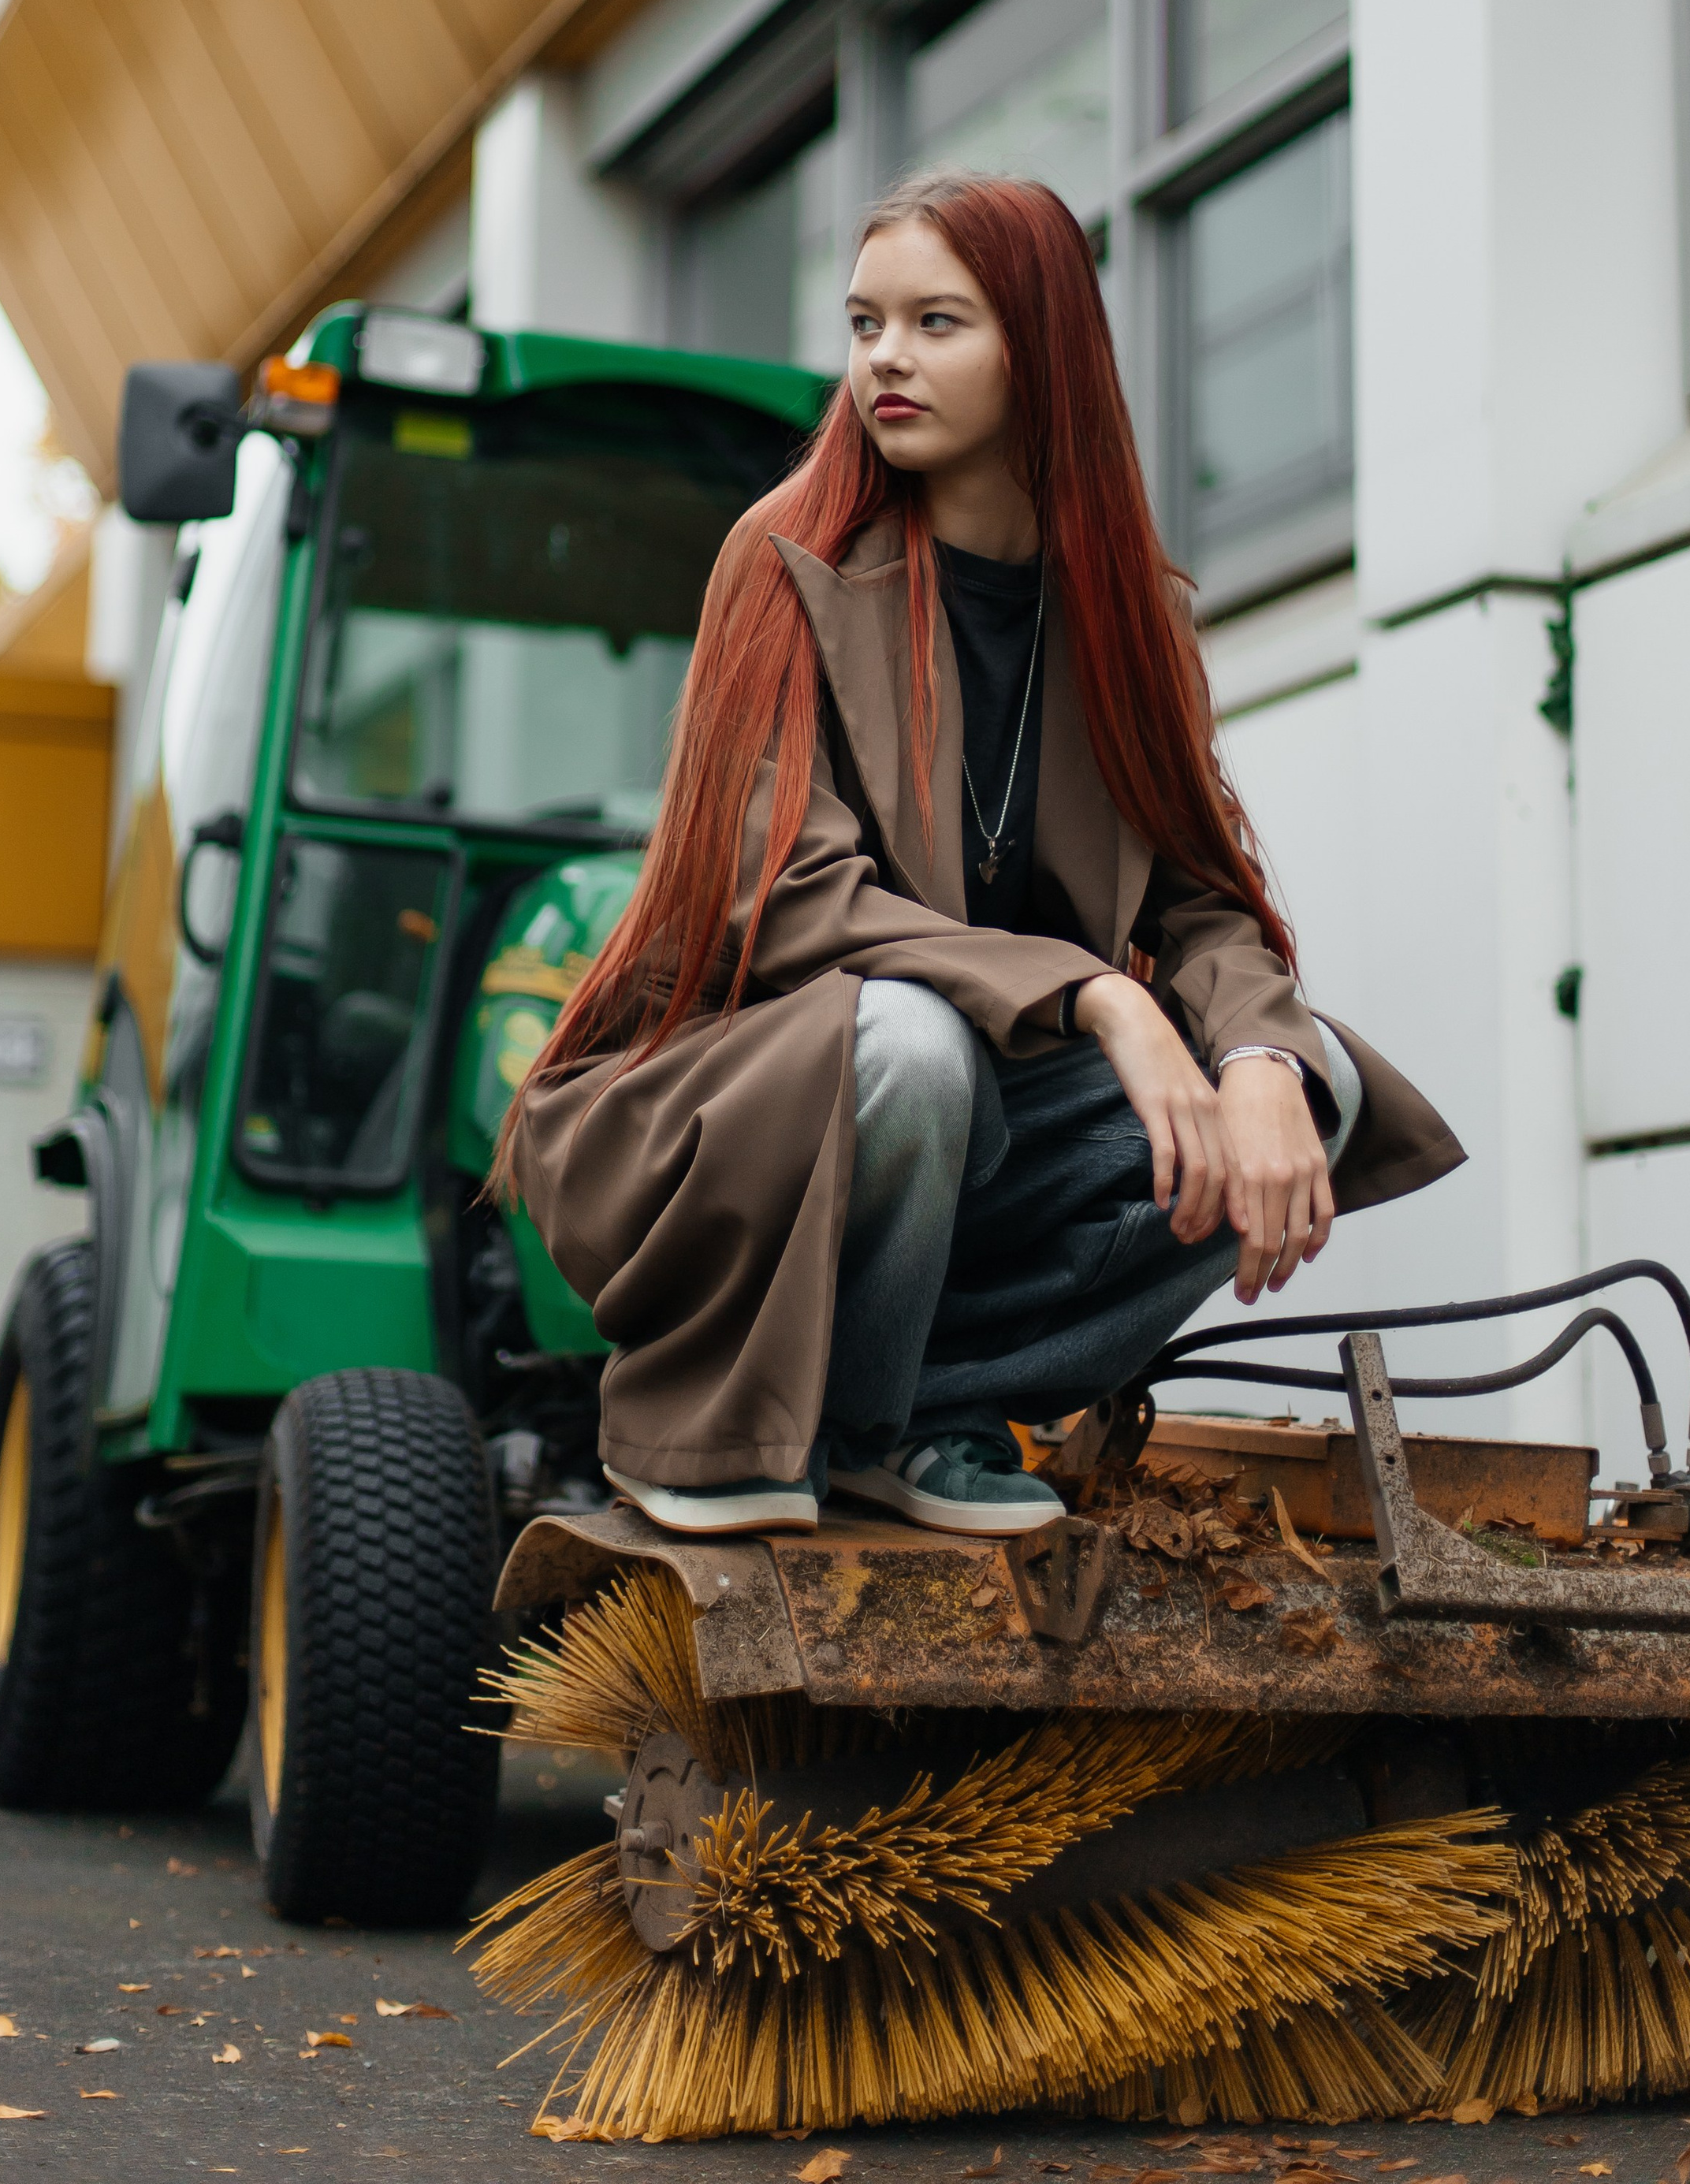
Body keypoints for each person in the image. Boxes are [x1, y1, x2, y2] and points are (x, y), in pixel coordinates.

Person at [499, 172, 1461, 1540]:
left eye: (936, 321)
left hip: (977, 1134)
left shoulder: (1131, 614)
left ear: (1042, 347)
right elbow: (784, 897)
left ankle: (926, 1407)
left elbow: (1201, 899)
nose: (885, 357)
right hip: (738, 1113)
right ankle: (784, 1415)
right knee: (910, 1044)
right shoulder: (783, 563)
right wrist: (1099, 993)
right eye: (865, 322)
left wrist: (1254, 1061)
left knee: (1326, 1087)